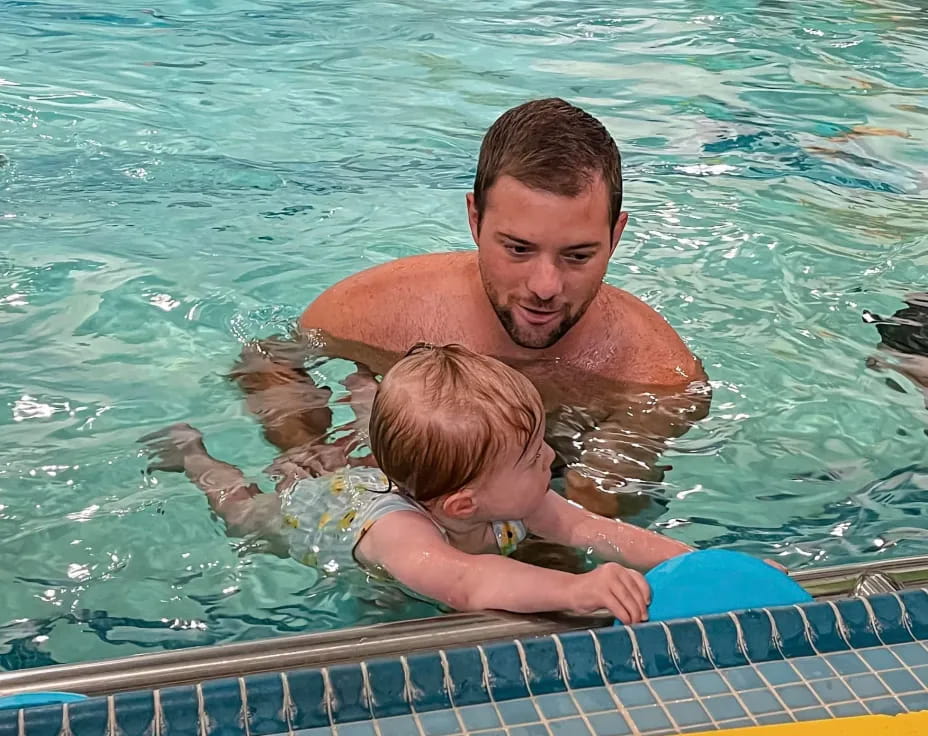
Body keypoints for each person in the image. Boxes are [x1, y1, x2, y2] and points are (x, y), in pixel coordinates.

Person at [230, 97, 711, 519]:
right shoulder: (378, 311)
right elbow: (267, 360)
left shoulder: (656, 376)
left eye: (577, 256)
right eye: (518, 249)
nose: (545, 287)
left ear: (616, 236)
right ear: (475, 221)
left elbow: (596, 520)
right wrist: (309, 450)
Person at [144, 344, 695, 623]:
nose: (551, 456)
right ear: (465, 504)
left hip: (377, 482)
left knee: (348, 457)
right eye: (532, 456)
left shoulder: (510, 495)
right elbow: (467, 583)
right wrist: (576, 590)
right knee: (242, 510)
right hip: (318, 514)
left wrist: (690, 561)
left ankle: (363, 392)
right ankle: (193, 456)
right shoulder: (403, 539)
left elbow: (590, 529)